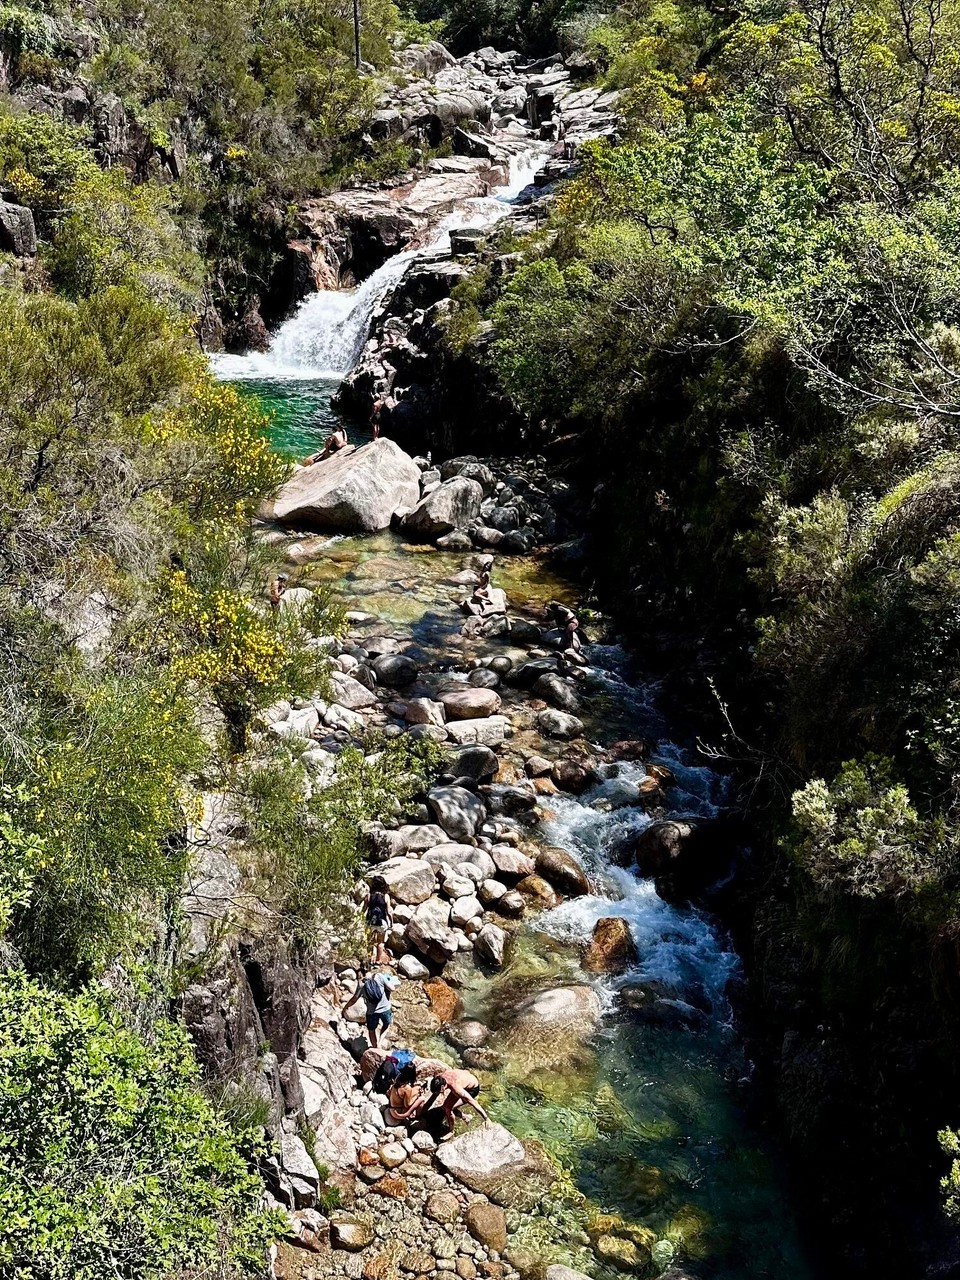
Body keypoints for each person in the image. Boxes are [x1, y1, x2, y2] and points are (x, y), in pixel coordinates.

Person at [349, 964, 400, 1048]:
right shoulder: (379, 976)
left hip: (371, 1012)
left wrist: (346, 1007)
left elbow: (354, 999)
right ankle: (380, 1043)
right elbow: (392, 988)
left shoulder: (361, 984)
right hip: (385, 1008)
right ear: (370, 970)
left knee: (371, 1030)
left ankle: (375, 1047)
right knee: (386, 1025)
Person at [362, 876, 393, 965]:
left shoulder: (369, 896)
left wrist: (360, 919)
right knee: (380, 942)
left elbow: (364, 909)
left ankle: (369, 959)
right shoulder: (386, 897)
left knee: (369, 942)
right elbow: (389, 912)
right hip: (381, 922)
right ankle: (378, 960)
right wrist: (391, 923)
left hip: (370, 922)